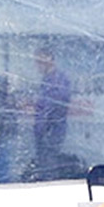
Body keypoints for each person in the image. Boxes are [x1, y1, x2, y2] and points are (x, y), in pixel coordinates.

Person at [31, 45, 71, 177]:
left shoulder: (59, 80)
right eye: (36, 61)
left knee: (48, 169)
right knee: (44, 166)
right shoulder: (47, 79)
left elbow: (55, 106)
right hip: (44, 132)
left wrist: (43, 128)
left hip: (51, 132)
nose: (37, 65)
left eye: (40, 61)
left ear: (50, 60)